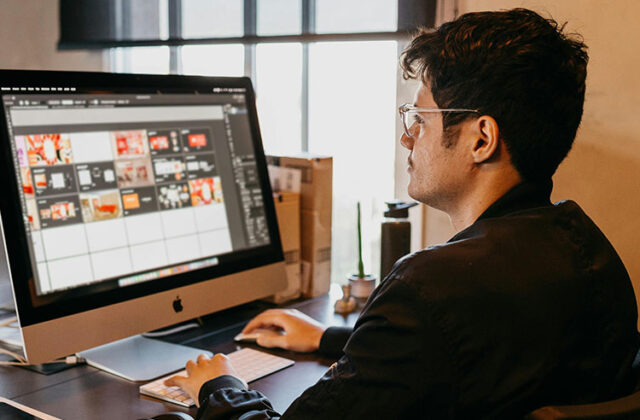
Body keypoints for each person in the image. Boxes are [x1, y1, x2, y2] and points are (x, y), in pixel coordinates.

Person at [166, 8, 640, 419]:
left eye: (420, 118)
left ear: (481, 138)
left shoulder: (430, 288)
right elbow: (467, 354)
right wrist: (330, 339)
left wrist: (220, 385)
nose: (406, 138)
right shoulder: (589, 250)